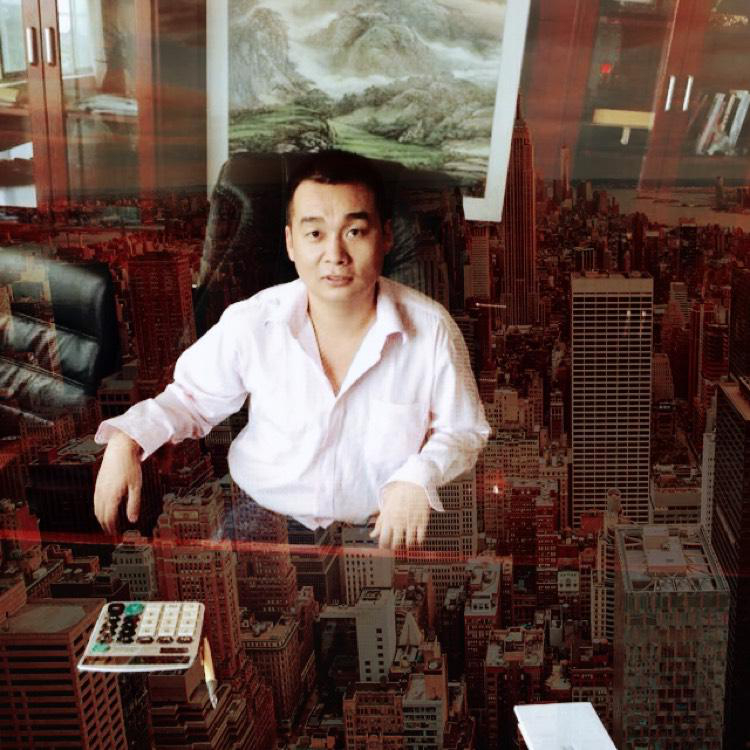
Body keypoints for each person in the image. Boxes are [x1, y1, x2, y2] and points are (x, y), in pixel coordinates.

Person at [93, 150, 490, 549]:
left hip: (383, 524)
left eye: (354, 232)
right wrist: (127, 439)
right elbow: (189, 400)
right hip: (261, 517)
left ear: (386, 237)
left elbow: (463, 430)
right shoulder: (253, 321)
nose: (335, 255)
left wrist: (417, 477)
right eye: (315, 234)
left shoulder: (430, 330)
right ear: (290, 243)